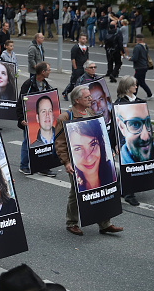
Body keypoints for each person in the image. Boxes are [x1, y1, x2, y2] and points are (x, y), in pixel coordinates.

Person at [54, 85, 123, 236]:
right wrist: (66, 162)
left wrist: (109, 151)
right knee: (76, 192)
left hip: (95, 158)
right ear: (77, 100)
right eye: (87, 97)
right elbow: (59, 143)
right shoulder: (65, 117)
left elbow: (100, 135)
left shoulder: (91, 112)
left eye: (90, 97)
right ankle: (71, 222)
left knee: (100, 189)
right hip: (77, 163)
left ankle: (105, 223)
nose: (90, 99)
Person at [16, 62, 56, 177]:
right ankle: (24, 166)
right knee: (27, 142)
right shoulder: (28, 84)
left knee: (45, 143)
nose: (50, 71)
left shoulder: (45, 84)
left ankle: (43, 167)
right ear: (42, 72)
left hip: (42, 119)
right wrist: (21, 119)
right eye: (48, 70)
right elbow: (21, 103)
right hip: (30, 119)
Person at [114, 75, 144, 206]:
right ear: (127, 88)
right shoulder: (119, 103)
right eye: (134, 85)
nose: (136, 87)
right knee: (129, 164)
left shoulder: (138, 100)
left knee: (133, 164)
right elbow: (114, 125)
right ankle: (129, 194)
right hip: (125, 139)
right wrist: (115, 142)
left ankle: (121, 188)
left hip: (138, 138)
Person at [66, 119, 117, 192]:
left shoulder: (112, 174)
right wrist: (66, 162)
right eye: (78, 148)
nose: (89, 158)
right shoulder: (78, 188)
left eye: (93, 144)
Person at [62, 34, 89, 101]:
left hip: (84, 67)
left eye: (85, 39)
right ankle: (66, 92)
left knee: (82, 82)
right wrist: (75, 68)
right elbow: (73, 58)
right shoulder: (75, 48)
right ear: (79, 39)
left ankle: (80, 95)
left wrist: (87, 66)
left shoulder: (86, 48)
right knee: (74, 82)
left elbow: (87, 58)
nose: (84, 40)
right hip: (77, 67)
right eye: (83, 39)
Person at [129, 34, 153, 99]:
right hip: (144, 65)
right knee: (138, 81)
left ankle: (149, 94)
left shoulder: (137, 47)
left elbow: (135, 58)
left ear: (136, 39)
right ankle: (134, 95)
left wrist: (130, 58)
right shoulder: (145, 46)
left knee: (138, 82)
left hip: (139, 66)